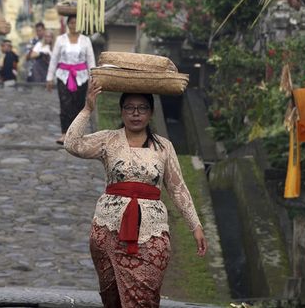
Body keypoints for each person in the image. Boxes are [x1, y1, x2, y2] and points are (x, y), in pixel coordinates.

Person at [65, 81, 207, 307]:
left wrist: (195, 225)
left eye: (142, 108)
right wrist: (87, 109)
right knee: (112, 298)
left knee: (145, 297)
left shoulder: (163, 147)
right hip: (109, 229)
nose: (135, 114)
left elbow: (178, 188)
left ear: (151, 113)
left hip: (152, 233)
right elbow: (72, 144)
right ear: (122, 111)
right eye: (129, 108)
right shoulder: (108, 139)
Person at [46, 15, 96, 145]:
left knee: (79, 104)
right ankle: (64, 133)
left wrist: (93, 78)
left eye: (76, 23)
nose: (74, 25)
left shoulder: (85, 40)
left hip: (81, 76)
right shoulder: (60, 40)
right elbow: (54, 59)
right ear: (68, 24)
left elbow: (90, 60)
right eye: (72, 23)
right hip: (64, 75)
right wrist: (49, 78)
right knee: (65, 104)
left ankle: (76, 135)